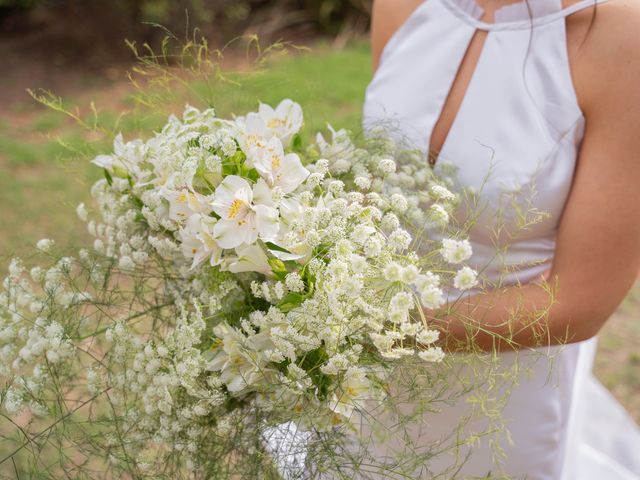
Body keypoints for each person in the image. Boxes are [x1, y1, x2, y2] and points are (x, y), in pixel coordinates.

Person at [362, 0, 640, 478]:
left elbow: (580, 301)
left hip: (503, 397)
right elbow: (378, 177)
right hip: (365, 377)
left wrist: (379, 329)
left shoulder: (622, 37)